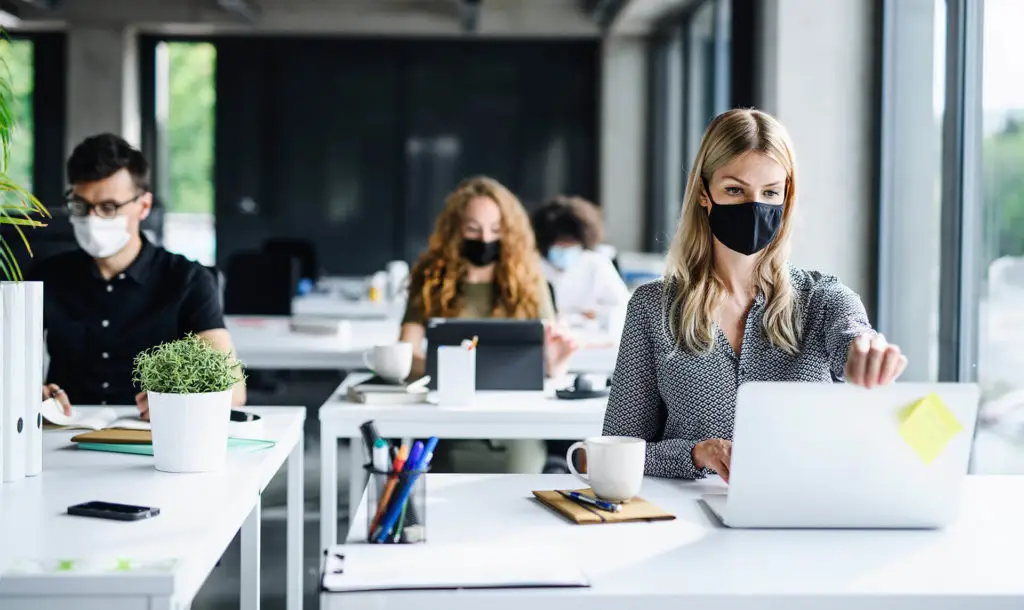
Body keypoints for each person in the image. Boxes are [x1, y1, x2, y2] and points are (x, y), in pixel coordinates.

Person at [602, 109, 907, 482]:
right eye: (735, 189)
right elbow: (616, 450)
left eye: (770, 192)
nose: (753, 206)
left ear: (786, 197)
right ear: (703, 192)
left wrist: (868, 350)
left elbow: (854, 336)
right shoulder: (653, 308)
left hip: (805, 511)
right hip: (690, 520)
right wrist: (694, 454)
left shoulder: (824, 299)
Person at [30, 133, 246, 419]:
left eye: (108, 207)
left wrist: (178, 400)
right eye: (81, 206)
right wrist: (29, 392)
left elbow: (233, 391)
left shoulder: (187, 279)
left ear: (143, 206)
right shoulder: (46, 275)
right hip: (61, 437)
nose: (92, 219)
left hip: (155, 440)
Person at [400, 176, 577, 473]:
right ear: (455, 231)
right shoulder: (429, 281)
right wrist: (447, 368)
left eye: (495, 230)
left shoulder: (530, 284)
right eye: (473, 229)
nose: (484, 240)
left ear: (509, 233)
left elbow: (548, 356)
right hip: (449, 426)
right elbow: (405, 353)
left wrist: (554, 366)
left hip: (514, 427)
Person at [531, 195, 629, 322]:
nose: (565, 249)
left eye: (571, 244)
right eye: (560, 244)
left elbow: (623, 306)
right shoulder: (533, 265)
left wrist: (596, 313)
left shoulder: (596, 263)